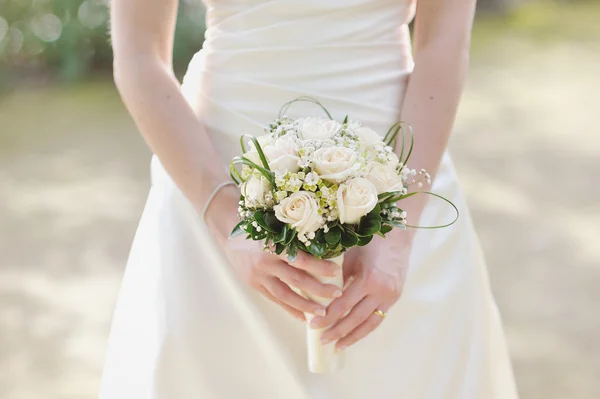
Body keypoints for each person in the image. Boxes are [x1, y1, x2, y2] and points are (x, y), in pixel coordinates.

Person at [100, 0, 518, 397]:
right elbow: (139, 56)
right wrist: (227, 219)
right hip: (214, 186)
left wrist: (400, 232)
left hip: (400, 184)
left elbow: (443, 42)